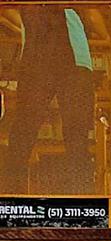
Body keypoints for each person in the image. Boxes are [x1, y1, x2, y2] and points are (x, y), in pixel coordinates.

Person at [6, 8, 96, 193]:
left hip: (39, 54)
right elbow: (93, 13)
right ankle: (82, 197)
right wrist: (108, 38)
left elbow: (8, 11)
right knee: (76, 133)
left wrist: (21, 27)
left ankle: (11, 194)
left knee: (23, 131)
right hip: (73, 58)